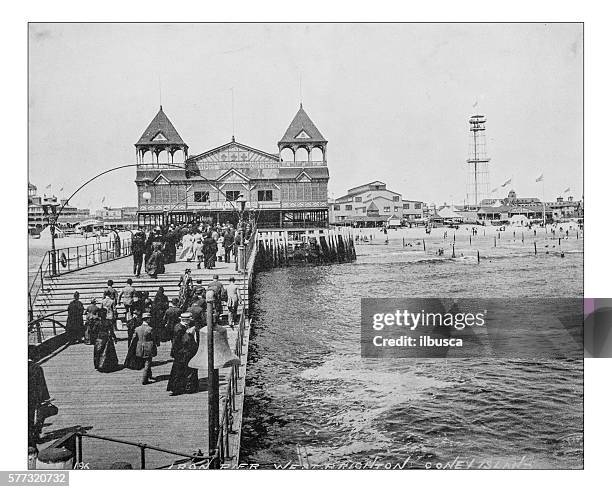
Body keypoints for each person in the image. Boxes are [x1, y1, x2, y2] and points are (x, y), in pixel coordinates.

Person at [167, 313, 199, 396]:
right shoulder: (179, 328)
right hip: (181, 353)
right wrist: (189, 334)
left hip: (186, 352)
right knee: (180, 371)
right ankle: (179, 388)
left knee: (185, 370)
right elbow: (178, 342)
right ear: (185, 320)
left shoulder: (184, 327)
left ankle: (186, 387)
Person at [131, 312, 157, 385]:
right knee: (148, 362)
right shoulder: (150, 329)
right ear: (148, 319)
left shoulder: (137, 328)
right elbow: (153, 338)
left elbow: (134, 339)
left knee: (145, 361)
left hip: (139, 347)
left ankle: (149, 375)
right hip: (148, 346)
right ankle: (144, 379)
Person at [93, 308, 119, 372]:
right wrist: (115, 338)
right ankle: (108, 365)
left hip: (99, 338)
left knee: (99, 352)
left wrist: (94, 338)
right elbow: (112, 331)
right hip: (107, 337)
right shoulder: (109, 322)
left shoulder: (97, 322)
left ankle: (99, 365)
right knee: (108, 352)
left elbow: (93, 331)